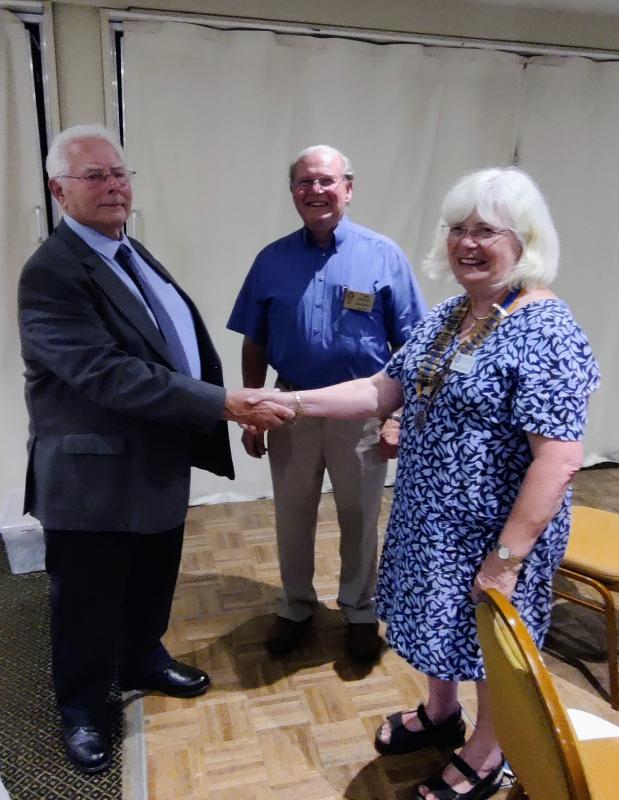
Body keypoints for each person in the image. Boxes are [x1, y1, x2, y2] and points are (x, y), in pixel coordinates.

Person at [248, 167, 600, 800]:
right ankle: (442, 714)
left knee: (492, 646)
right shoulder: (453, 313)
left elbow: (558, 460)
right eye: (458, 229)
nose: (467, 243)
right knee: (439, 625)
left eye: (486, 231)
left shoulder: (546, 327)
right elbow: (384, 388)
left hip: (495, 533)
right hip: (429, 517)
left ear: (524, 240)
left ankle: (490, 752)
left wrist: (507, 559)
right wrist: (293, 402)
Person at [17, 124, 292, 775]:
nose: (113, 184)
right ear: (59, 190)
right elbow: (105, 373)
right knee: (84, 605)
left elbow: (163, 341)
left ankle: (143, 657)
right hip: (91, 477)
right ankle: (82, 708)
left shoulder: (126, 249)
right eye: (94, 176)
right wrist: (223, 403)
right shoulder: (52, 272)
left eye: (119, 172)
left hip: (153, 461)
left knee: (150, 580)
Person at [227, 145, 426, 662]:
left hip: (362, 409)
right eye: (304, 182)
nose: (315, 191)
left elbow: (411, 347)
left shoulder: (385, 256)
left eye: (326, 181)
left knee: (359, 515)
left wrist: (398, 417)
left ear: (349, 188)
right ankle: (296, 606)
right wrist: (252, 412)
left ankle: (360, 611)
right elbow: (254, 340)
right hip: (289, 406)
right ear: (292, 191)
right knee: (292, 515)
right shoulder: (271, 260)